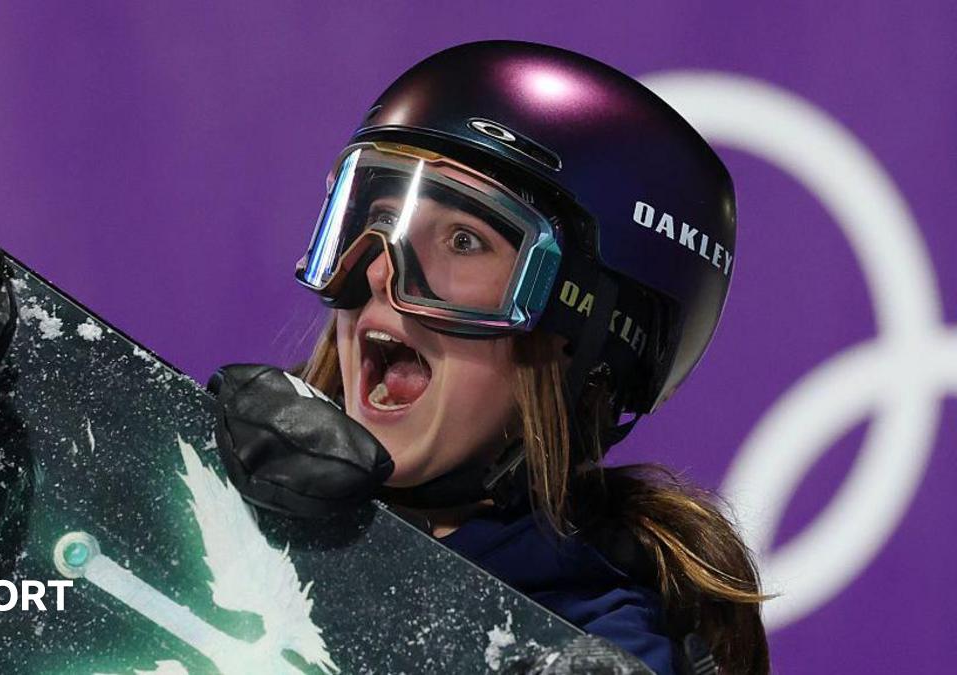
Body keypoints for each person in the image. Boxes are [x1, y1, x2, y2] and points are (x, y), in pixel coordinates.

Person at [209, 41, 769, 674]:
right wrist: (168, 482)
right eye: (376, 218)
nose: (381, 272)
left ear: (590, 334)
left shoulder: (590, 647)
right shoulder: (230, 491)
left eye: (464, 239)